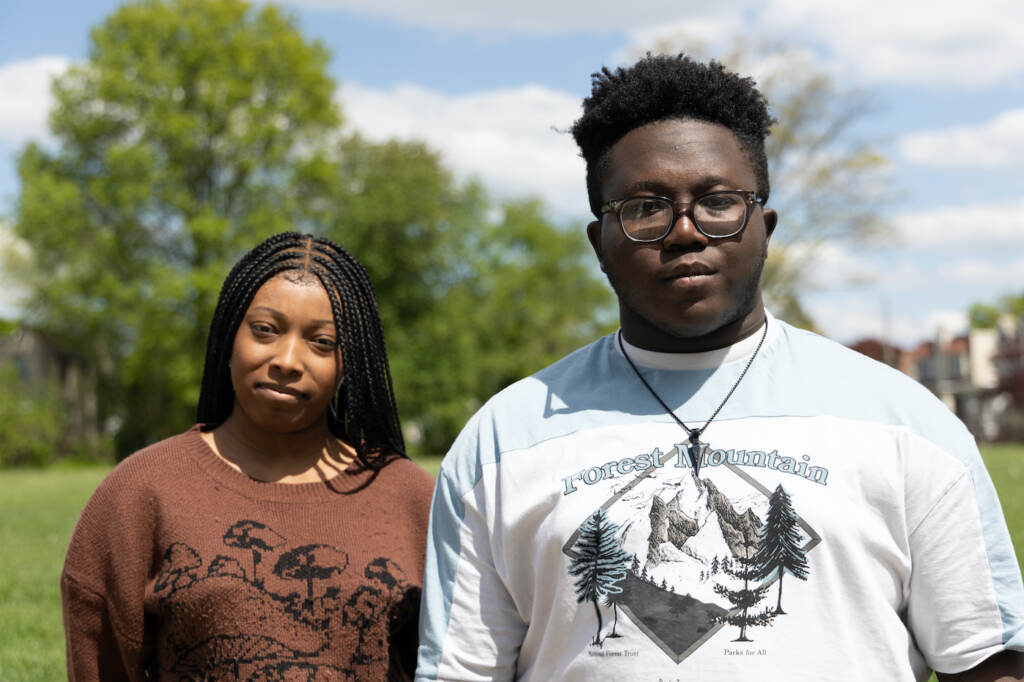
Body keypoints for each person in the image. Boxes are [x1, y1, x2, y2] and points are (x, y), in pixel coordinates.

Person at [415, 55, 1024, 681]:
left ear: (765, 227)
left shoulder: (906, 425)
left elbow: (987, 664)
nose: (684, 231)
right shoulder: (504, 440)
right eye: (645, 207)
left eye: (718, 202)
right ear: (599, 243)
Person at [62, 232, 434, 680]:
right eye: (265, 330)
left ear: (349, 365)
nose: (288, 360)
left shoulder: (410, 497)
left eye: (321, 342)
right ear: (228, 337)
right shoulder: (142, 490)